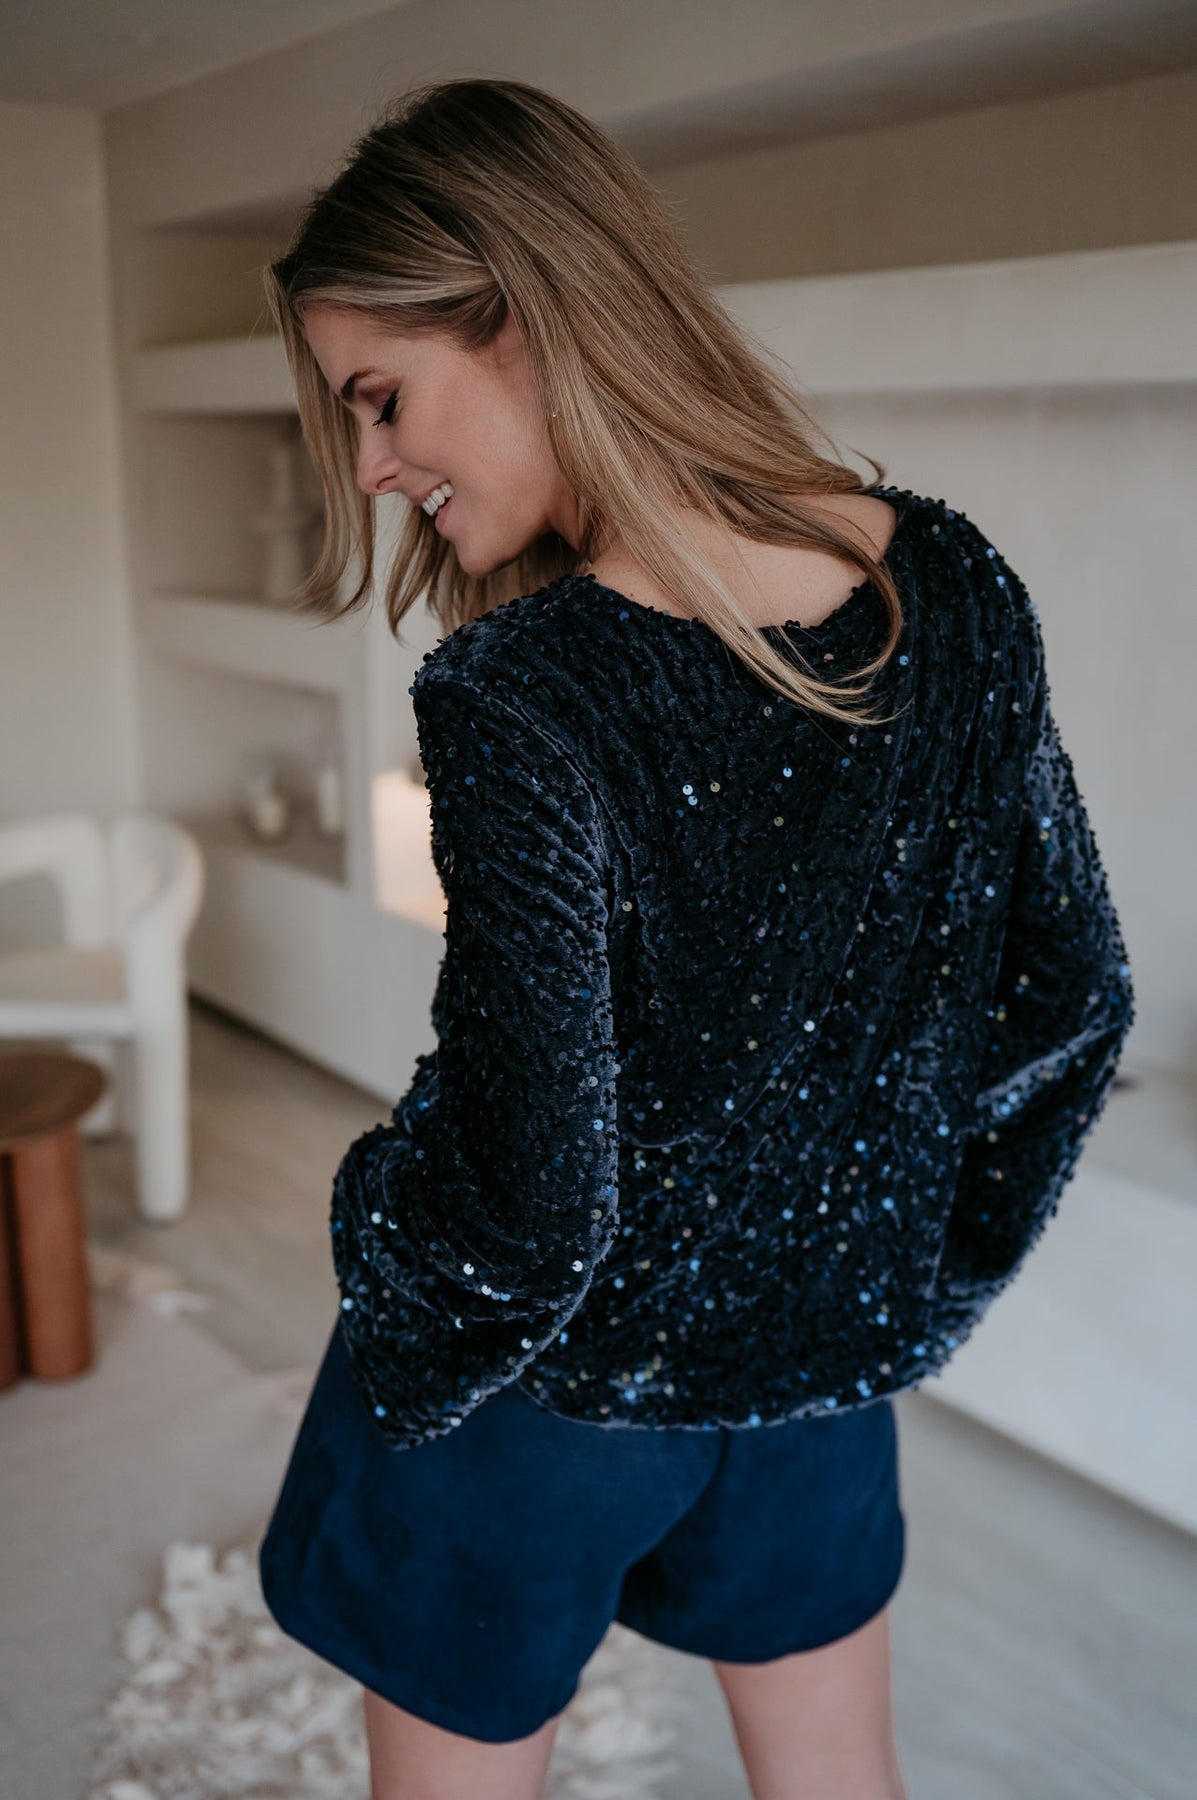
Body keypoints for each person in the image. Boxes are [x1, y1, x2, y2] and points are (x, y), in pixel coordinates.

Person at [256, 76, 1133, 1800]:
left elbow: (527, 1200)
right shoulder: (953, 584)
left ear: (521, 319)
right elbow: (1069, 1003)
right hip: (817, 1386)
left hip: (534, 1405)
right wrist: (892, 1283)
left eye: (380, 398)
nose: (368, 468)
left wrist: (372, 1232)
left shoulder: (522, 689)